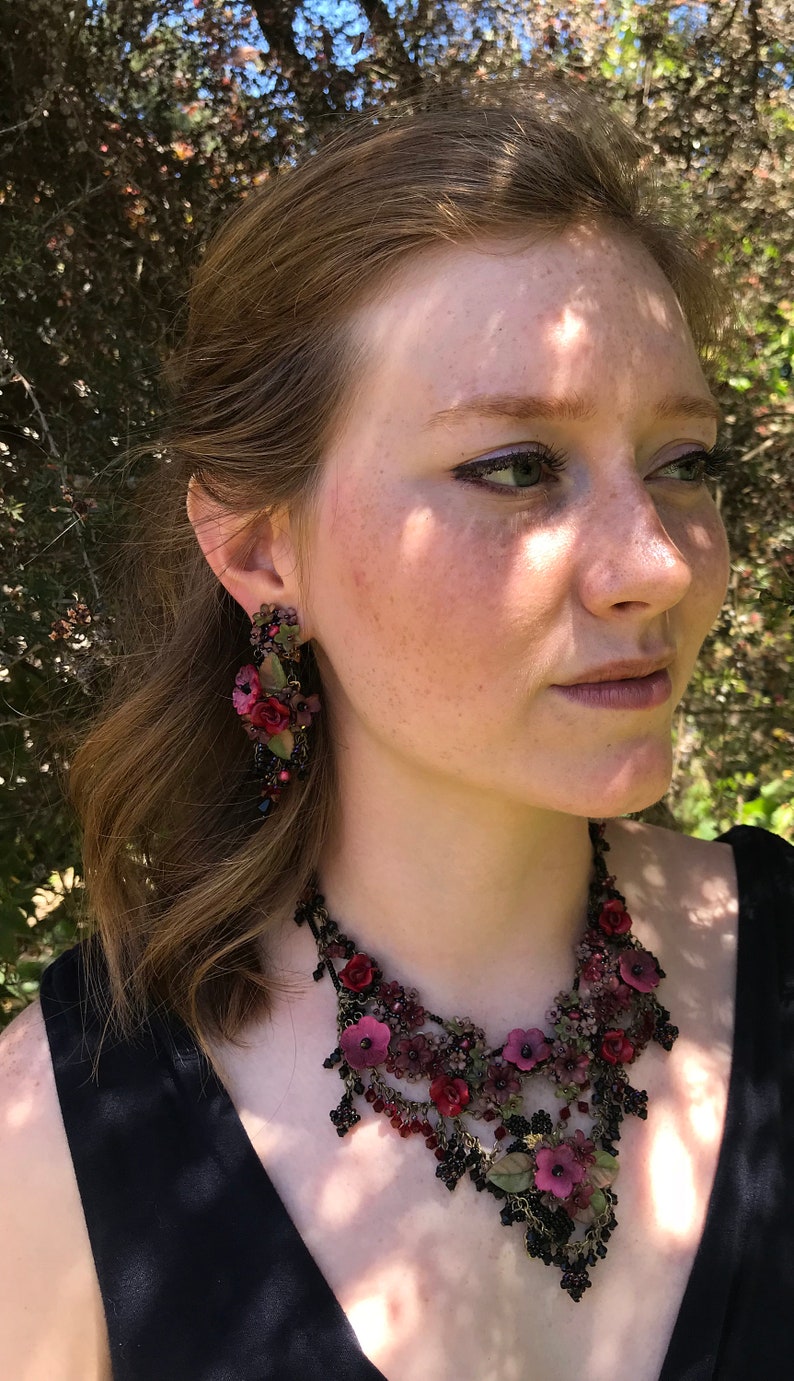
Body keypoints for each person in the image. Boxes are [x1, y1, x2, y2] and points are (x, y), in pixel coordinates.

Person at [1, 75, 792, 1381]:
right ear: (261, 549)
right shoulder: (61, 1144)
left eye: (682, 462)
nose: (653, 560)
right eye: (515, 467)